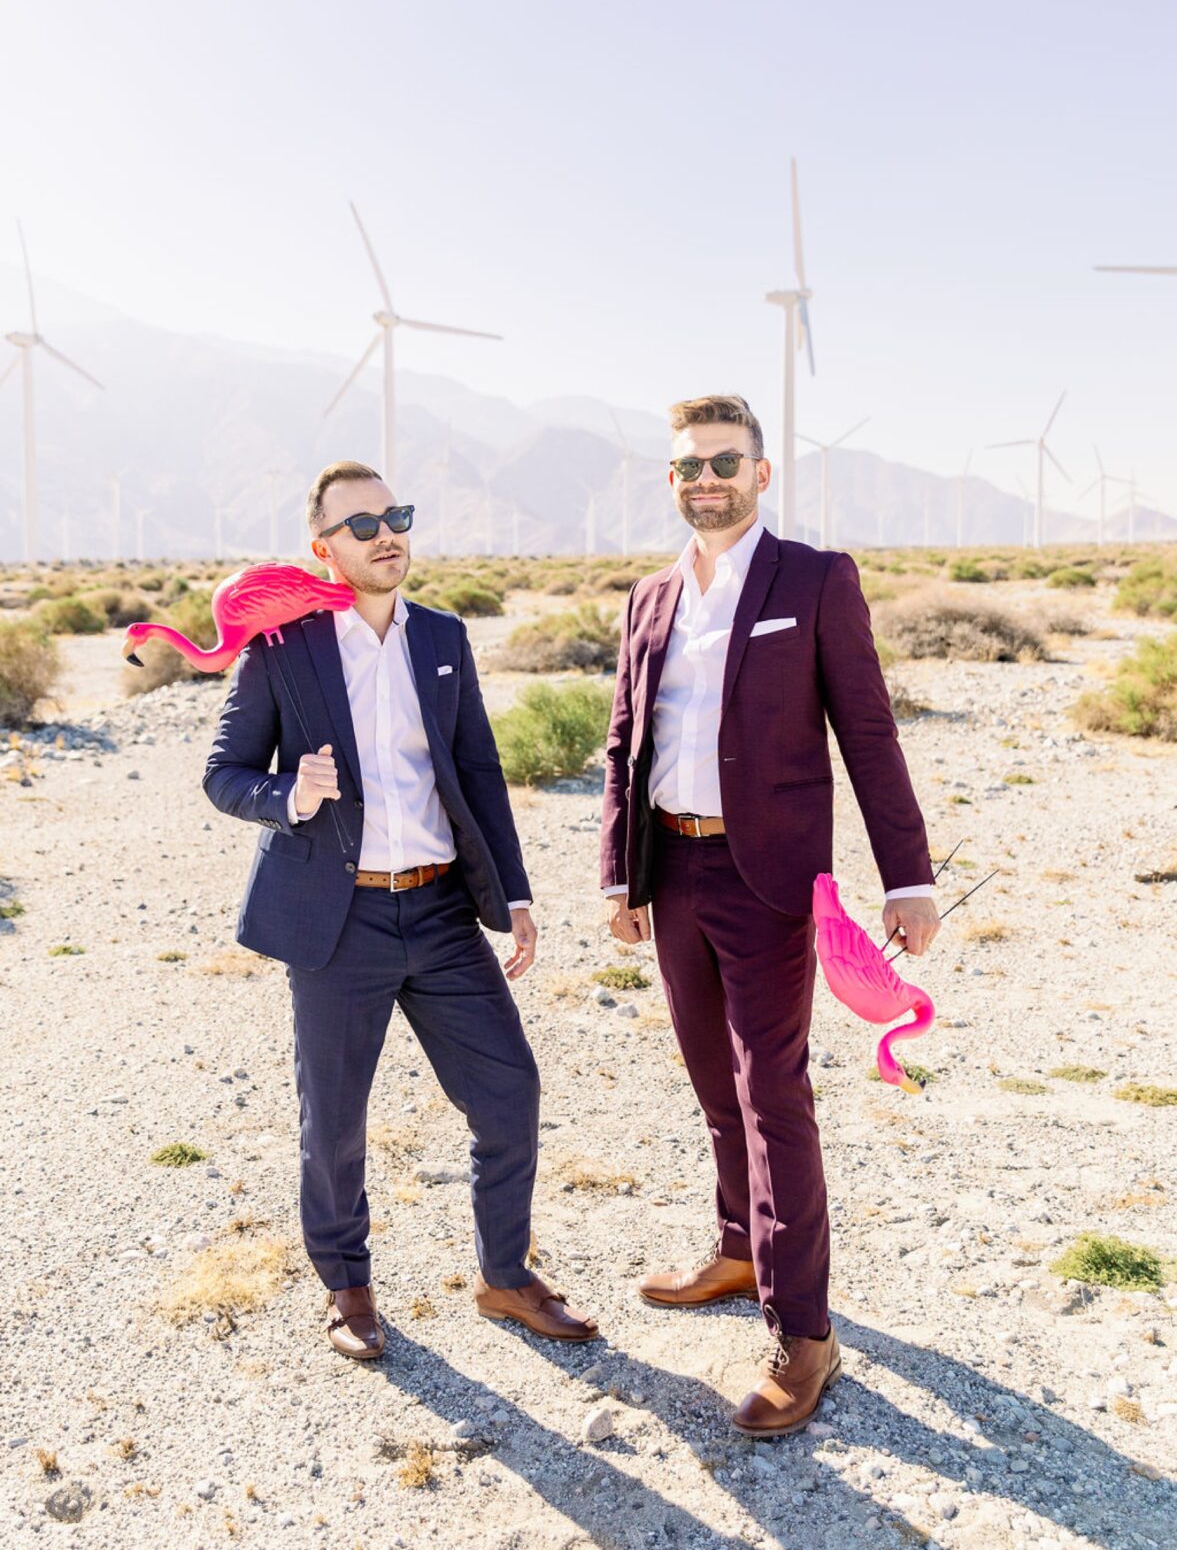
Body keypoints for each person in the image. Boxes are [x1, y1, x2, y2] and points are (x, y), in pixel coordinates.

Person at [204, 460, 597, 1359]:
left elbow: (479, 772)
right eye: (360, 525)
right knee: (334, 1121)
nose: (386, 535)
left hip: (439, 915)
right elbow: (223, 775)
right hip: (335, 925)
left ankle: (504, 1277)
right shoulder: (283, 650)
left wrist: (518, 895)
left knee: (508, 1093)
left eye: (396, 517)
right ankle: (347, 1289)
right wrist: (289, 795)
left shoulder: (443, 638)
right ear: (322, 548)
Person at [600, 394, 939, 1435]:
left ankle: (804, 1328)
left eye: (723, 460)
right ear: (670, 480)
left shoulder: (815, 580)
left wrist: (908, 876)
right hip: (674, 873)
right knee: (713, 1081)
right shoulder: (651, 596)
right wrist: (620, 872)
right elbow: (625, 739)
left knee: (770, 1093)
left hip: (770, 882)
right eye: (688, 464)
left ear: (761, 471)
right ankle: (739, 1248)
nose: (705, 477)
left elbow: (868, 733)